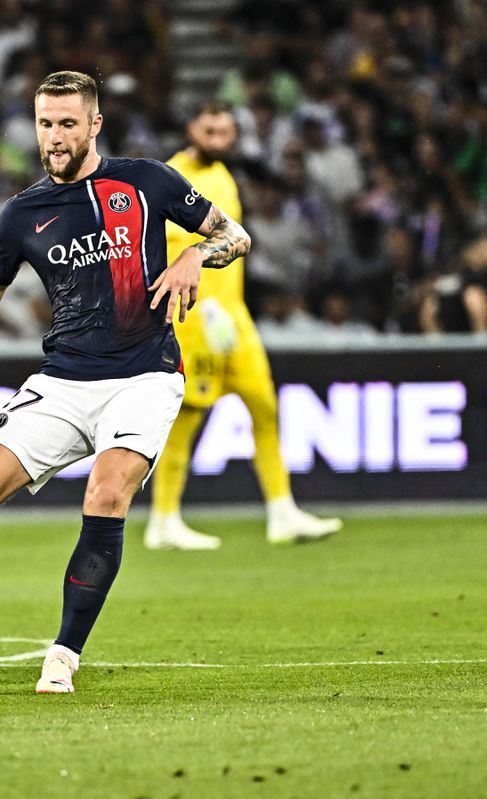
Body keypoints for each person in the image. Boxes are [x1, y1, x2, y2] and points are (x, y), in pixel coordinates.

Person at [0, 71, 250, 693]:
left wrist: (190, 255)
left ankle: (64, 654)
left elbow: (235, 236)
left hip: (145, 374)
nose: (55, 136)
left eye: (68, 123)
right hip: (65, 379)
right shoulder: (22, 214)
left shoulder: (148, 181)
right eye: (46, 124)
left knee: (106, 493)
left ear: (95, 124)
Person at [144, 103, 342, 550]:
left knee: (265, 405)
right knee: (187, 418)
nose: (220, 138)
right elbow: (176, 250)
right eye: (210, 128)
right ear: (191, 127)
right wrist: (205, 309)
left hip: (235, 318)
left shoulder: (225, 176)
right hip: (196, 319)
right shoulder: (174, 178)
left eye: (227, 130)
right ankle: (163, 520)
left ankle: (281, 511)